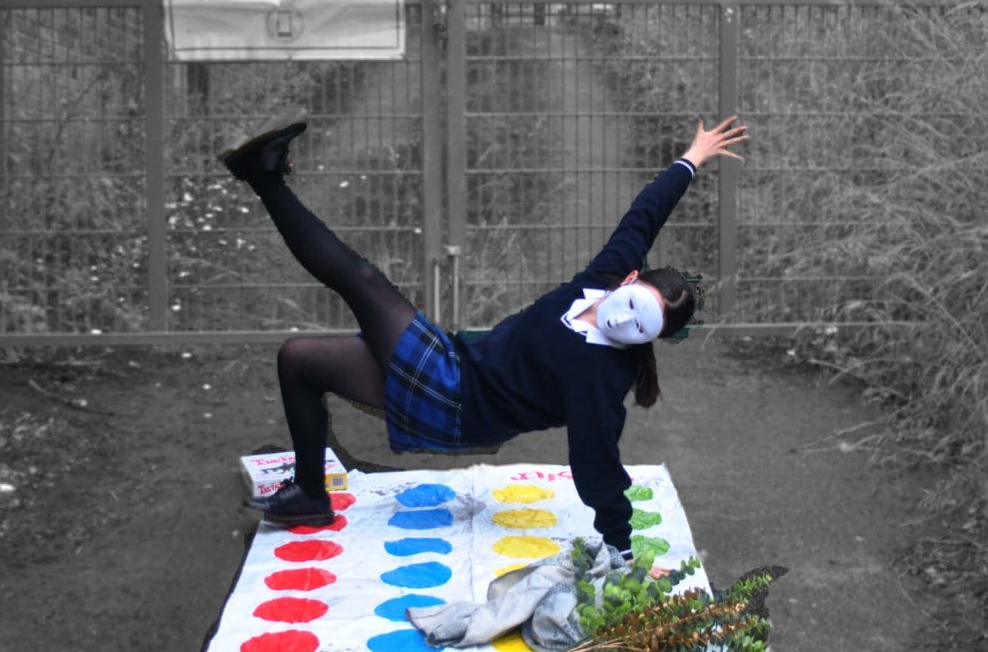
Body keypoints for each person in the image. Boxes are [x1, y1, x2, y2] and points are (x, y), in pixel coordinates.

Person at [222, 115, 747, 567]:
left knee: (362, 281)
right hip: (455, 363)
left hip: (457, 403)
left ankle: (266, 178)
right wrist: (693, 157)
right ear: (629, 279)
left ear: (651, 342)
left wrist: (620, 547)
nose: (627, 324)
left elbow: (597, 465)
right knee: (299, 359)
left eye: (643, 330)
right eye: (635, 306)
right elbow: (645, 214)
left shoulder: (600, 376)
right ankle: (310, 495)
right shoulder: (605, 275)